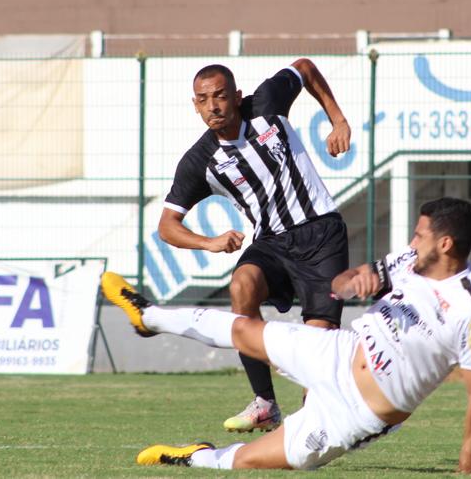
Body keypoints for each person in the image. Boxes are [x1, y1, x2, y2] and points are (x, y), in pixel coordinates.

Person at [102, 197, 471, 472]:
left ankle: (193, 457)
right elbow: (339, 285)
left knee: (247, 461)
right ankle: (148, 316)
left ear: (445, 244)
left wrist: (466, 470)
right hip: (335, 352)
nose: (411, 242)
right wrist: (354, 280)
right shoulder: (409, 260)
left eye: (419, 236)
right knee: (244, 329)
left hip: (353, 414)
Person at [142, 59, 351, 433]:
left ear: (237, 97)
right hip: (271, 242)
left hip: (321, 235)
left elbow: (304, 67)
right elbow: (167, 226)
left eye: (220, 96)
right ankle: (265, 403)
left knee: (317, 355)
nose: (213, 106)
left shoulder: (267, 105)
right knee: (241, 285)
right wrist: (209, 242)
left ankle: (310, 426)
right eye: (203, 100)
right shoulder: (200, 162)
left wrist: (338, 120)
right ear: (195, 105)